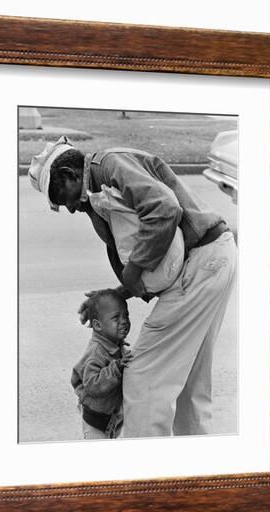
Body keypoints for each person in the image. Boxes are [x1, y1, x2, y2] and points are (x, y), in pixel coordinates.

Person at [29, 135, 237, 437]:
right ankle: (195, 471)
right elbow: (152, 258)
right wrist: (118, 293)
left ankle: (147, 474)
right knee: (190, 385)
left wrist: (133, 272)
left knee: (143, 380)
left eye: (65, 199)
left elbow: (164, 209)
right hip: (213, 259)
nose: (71, 208)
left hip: (201, 265)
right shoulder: (98, 185)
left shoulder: (110, 164)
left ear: (69, 175)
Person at [70, 289, 132, 440]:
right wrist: (115, 368)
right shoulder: (96, 353)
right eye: (116, 318)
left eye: (126, 316)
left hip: (112, 418)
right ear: (98, 326)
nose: (123, 321)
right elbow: (92, 384)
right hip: (95, 422)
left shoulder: (114, 344)